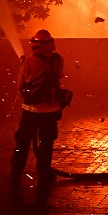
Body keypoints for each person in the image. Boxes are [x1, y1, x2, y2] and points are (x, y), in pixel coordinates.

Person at [11, 29, 64, 180]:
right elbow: (59, 75)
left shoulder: (29, 62)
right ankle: (44, 169)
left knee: (24, 139)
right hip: (51, 108)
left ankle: (17, 167)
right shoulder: (58, 59)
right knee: (47, 140)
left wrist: (23, 65)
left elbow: (21, 83)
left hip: (31, 109)